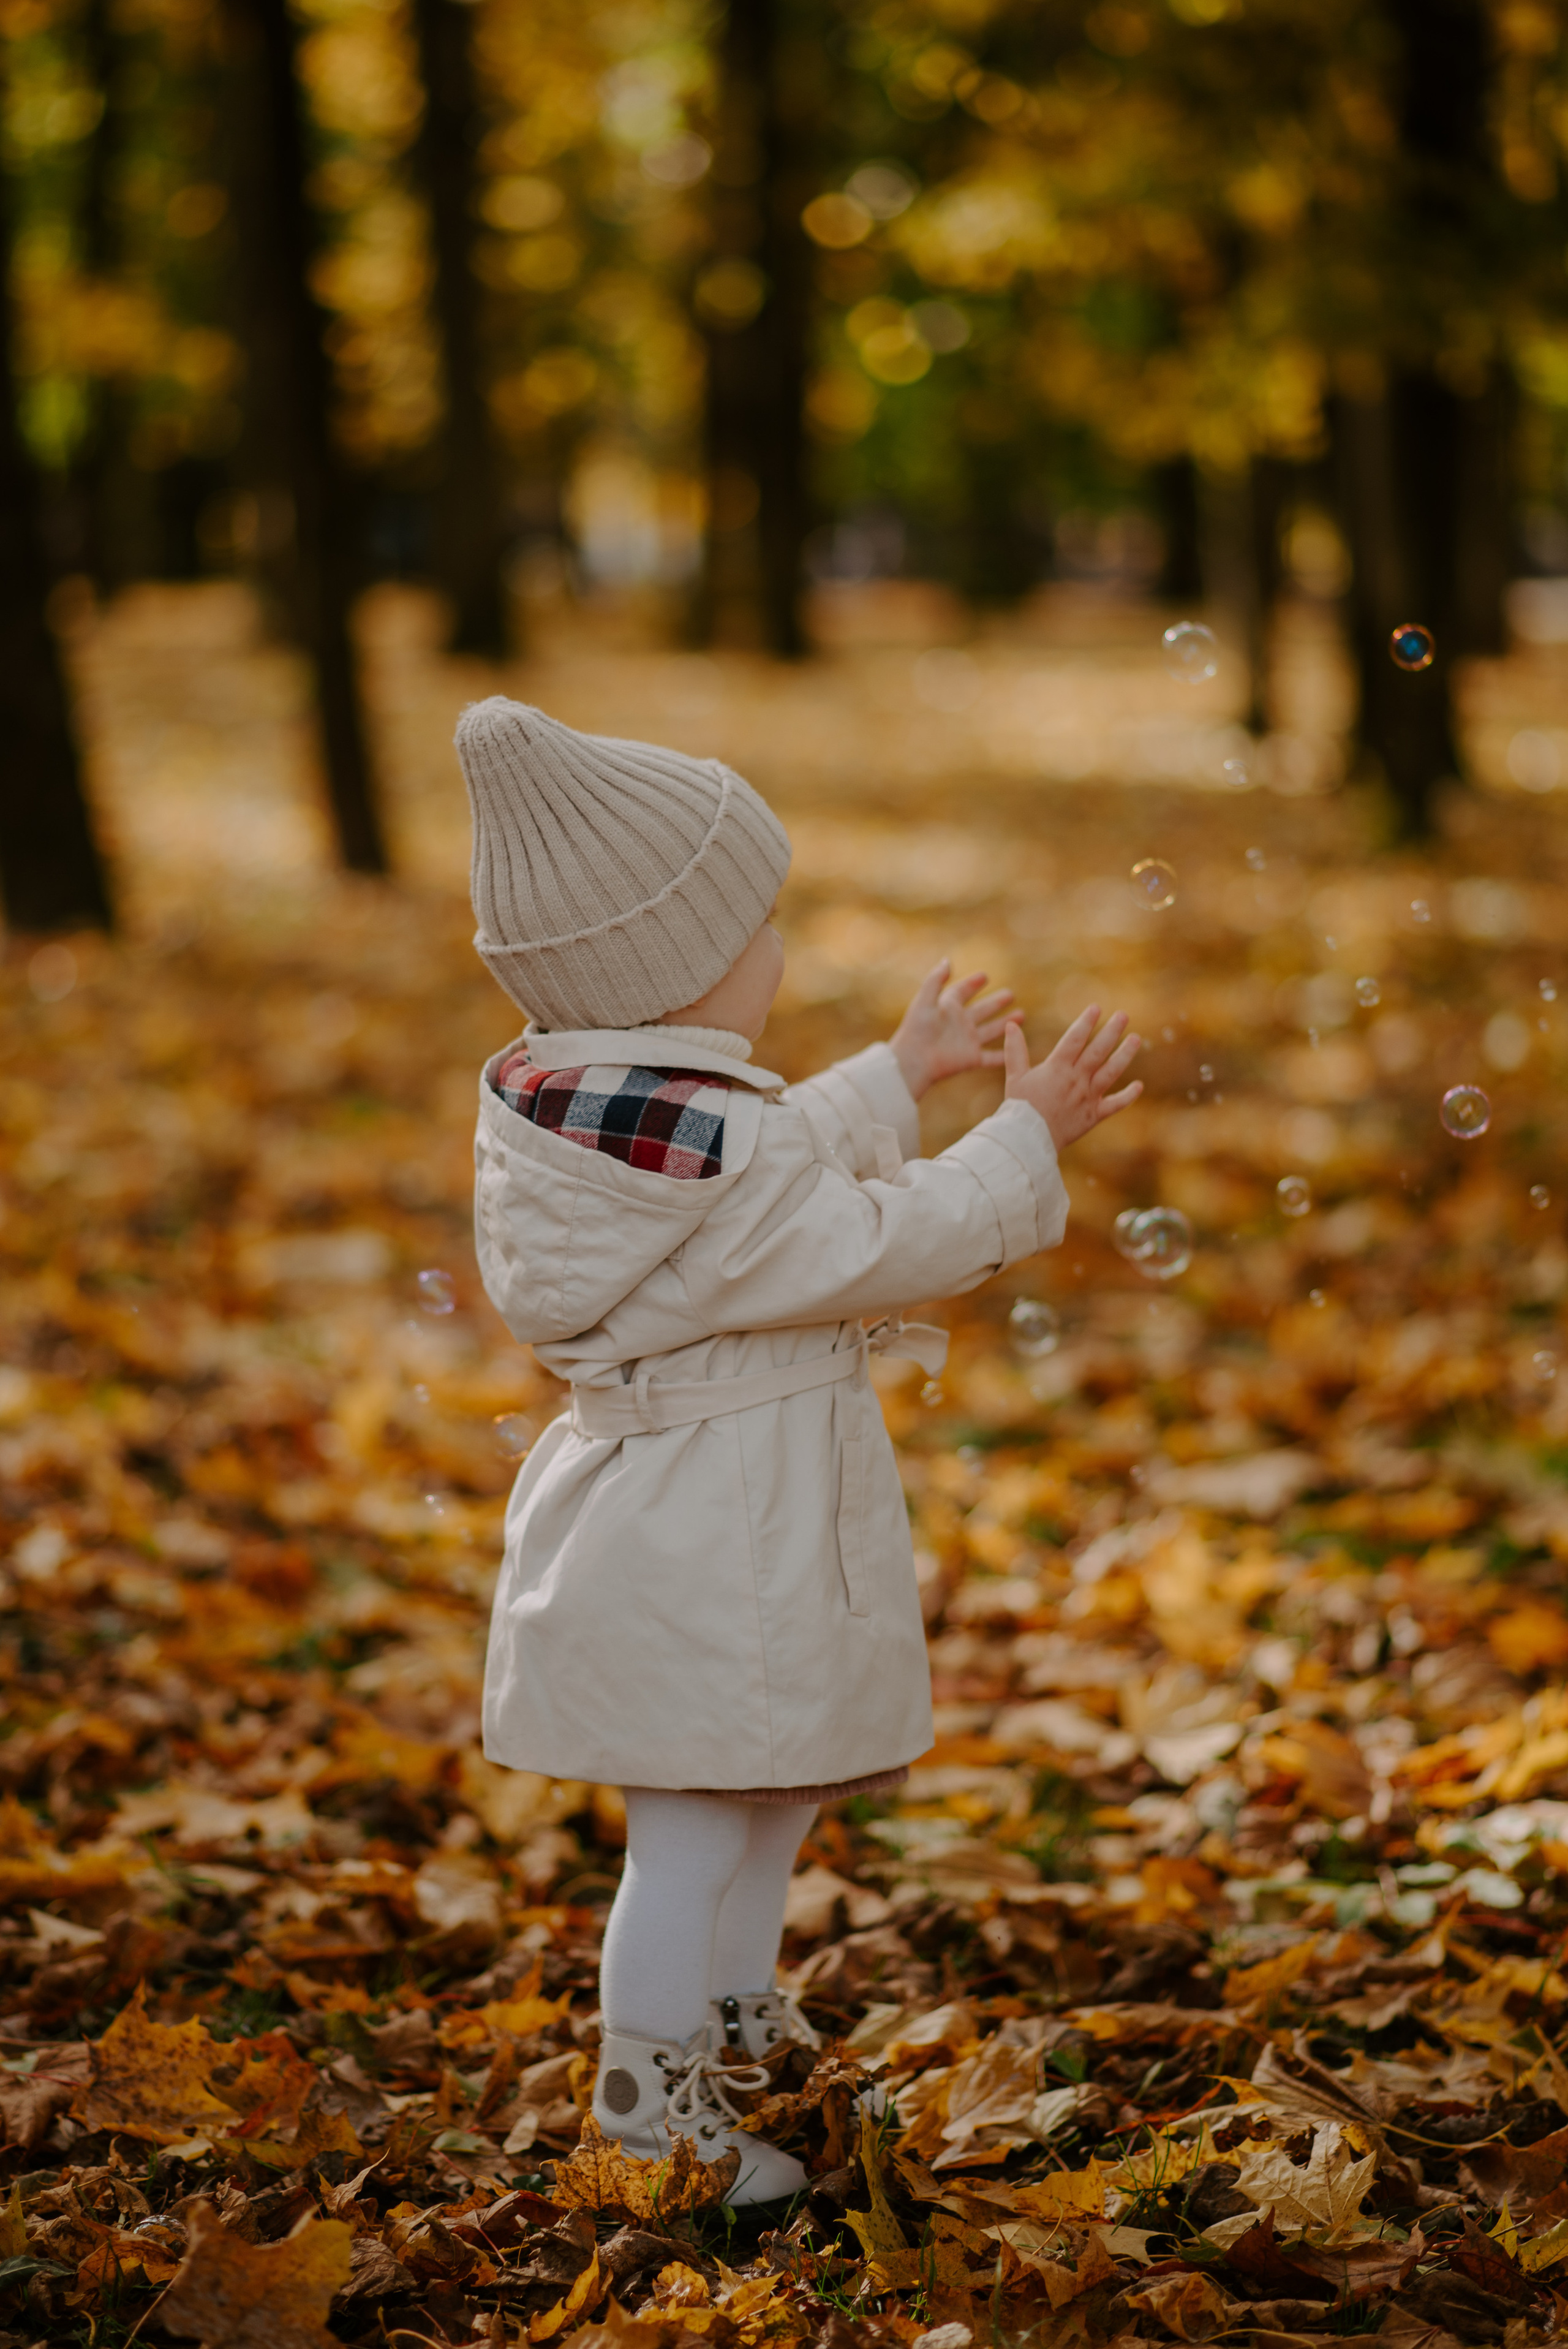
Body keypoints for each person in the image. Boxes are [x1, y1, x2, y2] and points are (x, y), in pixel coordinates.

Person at [456, 698, 1143, 2203]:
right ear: (679, 970)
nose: (775, 949)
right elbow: (869, 1236)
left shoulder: (593, 1115)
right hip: (714, 1541)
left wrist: (895, 1075)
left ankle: (730, 2013)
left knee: (766, 1791)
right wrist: (1021, 1134)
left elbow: (757, 1172)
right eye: (755, 926)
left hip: (692, 1520)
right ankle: (652, 2105)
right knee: (696, 1825)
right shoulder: (717, 1152)